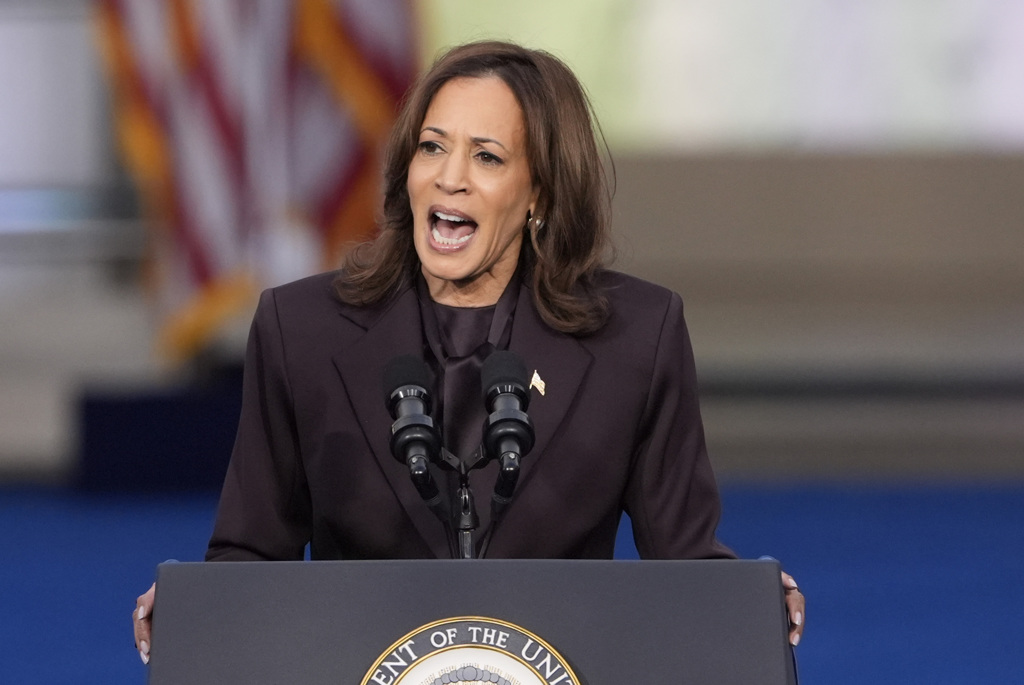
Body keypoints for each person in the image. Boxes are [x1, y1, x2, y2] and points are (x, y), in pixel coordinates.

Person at [132, 40, 805, 664]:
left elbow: (685, 561)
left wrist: (745, 600)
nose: (449, 178)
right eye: (432, 147)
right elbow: (250, 551)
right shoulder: (303, 330)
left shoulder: (636, 336)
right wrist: (198, 607)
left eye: (487, 157)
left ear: (540, 192)